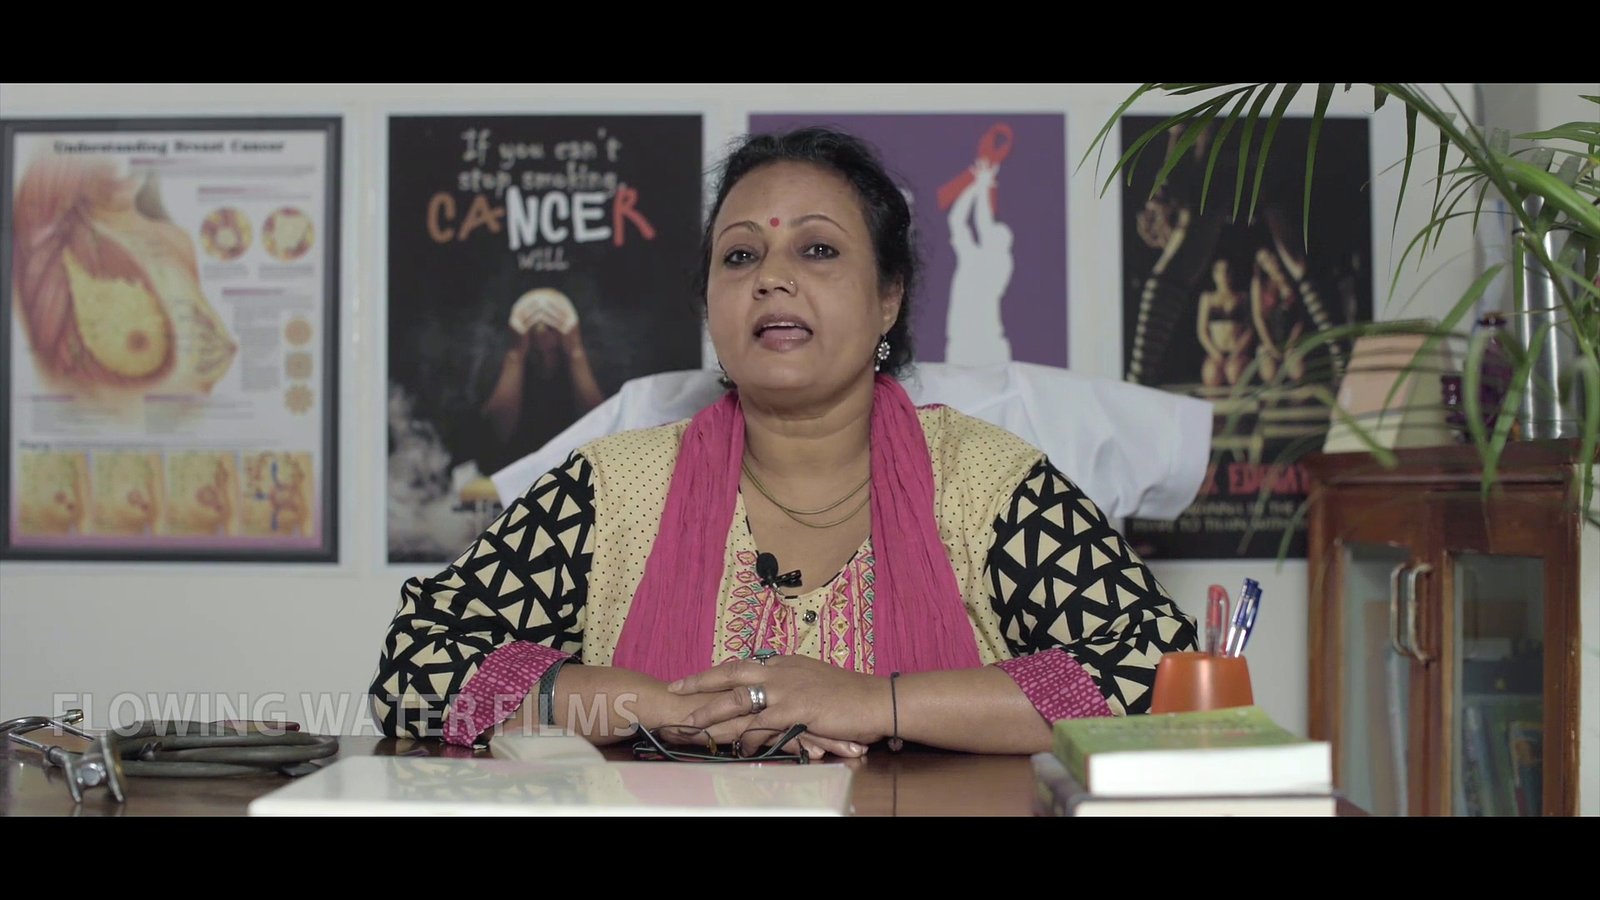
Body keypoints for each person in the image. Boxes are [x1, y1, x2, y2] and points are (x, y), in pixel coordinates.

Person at [369, 126, 1198, 759]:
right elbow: (417, 667)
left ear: (888, 298)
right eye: (740, 256)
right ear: (711, 307)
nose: (771, 277)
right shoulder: (610, 490)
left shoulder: (986, 484)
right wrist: (661, 707)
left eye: (818, 249)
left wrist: (873, 703)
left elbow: (1164, 674)